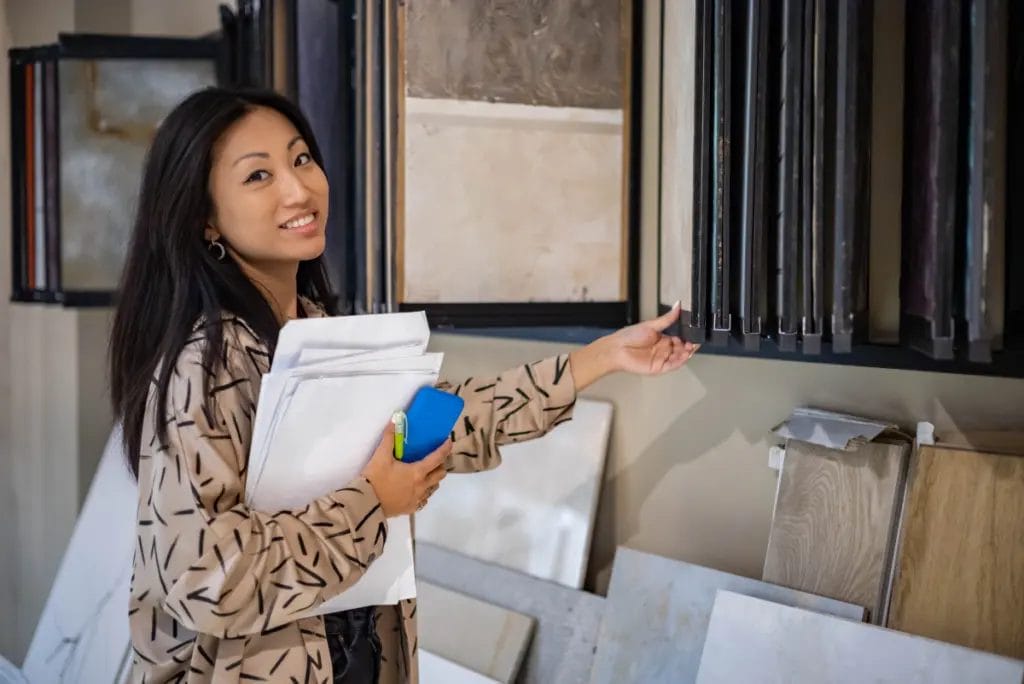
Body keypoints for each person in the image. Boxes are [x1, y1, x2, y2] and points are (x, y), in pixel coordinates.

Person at [109, 86, 697, 684]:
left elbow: (427, 430)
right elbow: (206, 580)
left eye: (301, 159)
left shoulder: (319, 332)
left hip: (357, 653)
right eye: (258, 176)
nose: (298, 189)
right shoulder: (202, 365)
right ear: (205, 215)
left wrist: (597, 360)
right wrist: (371, 502)